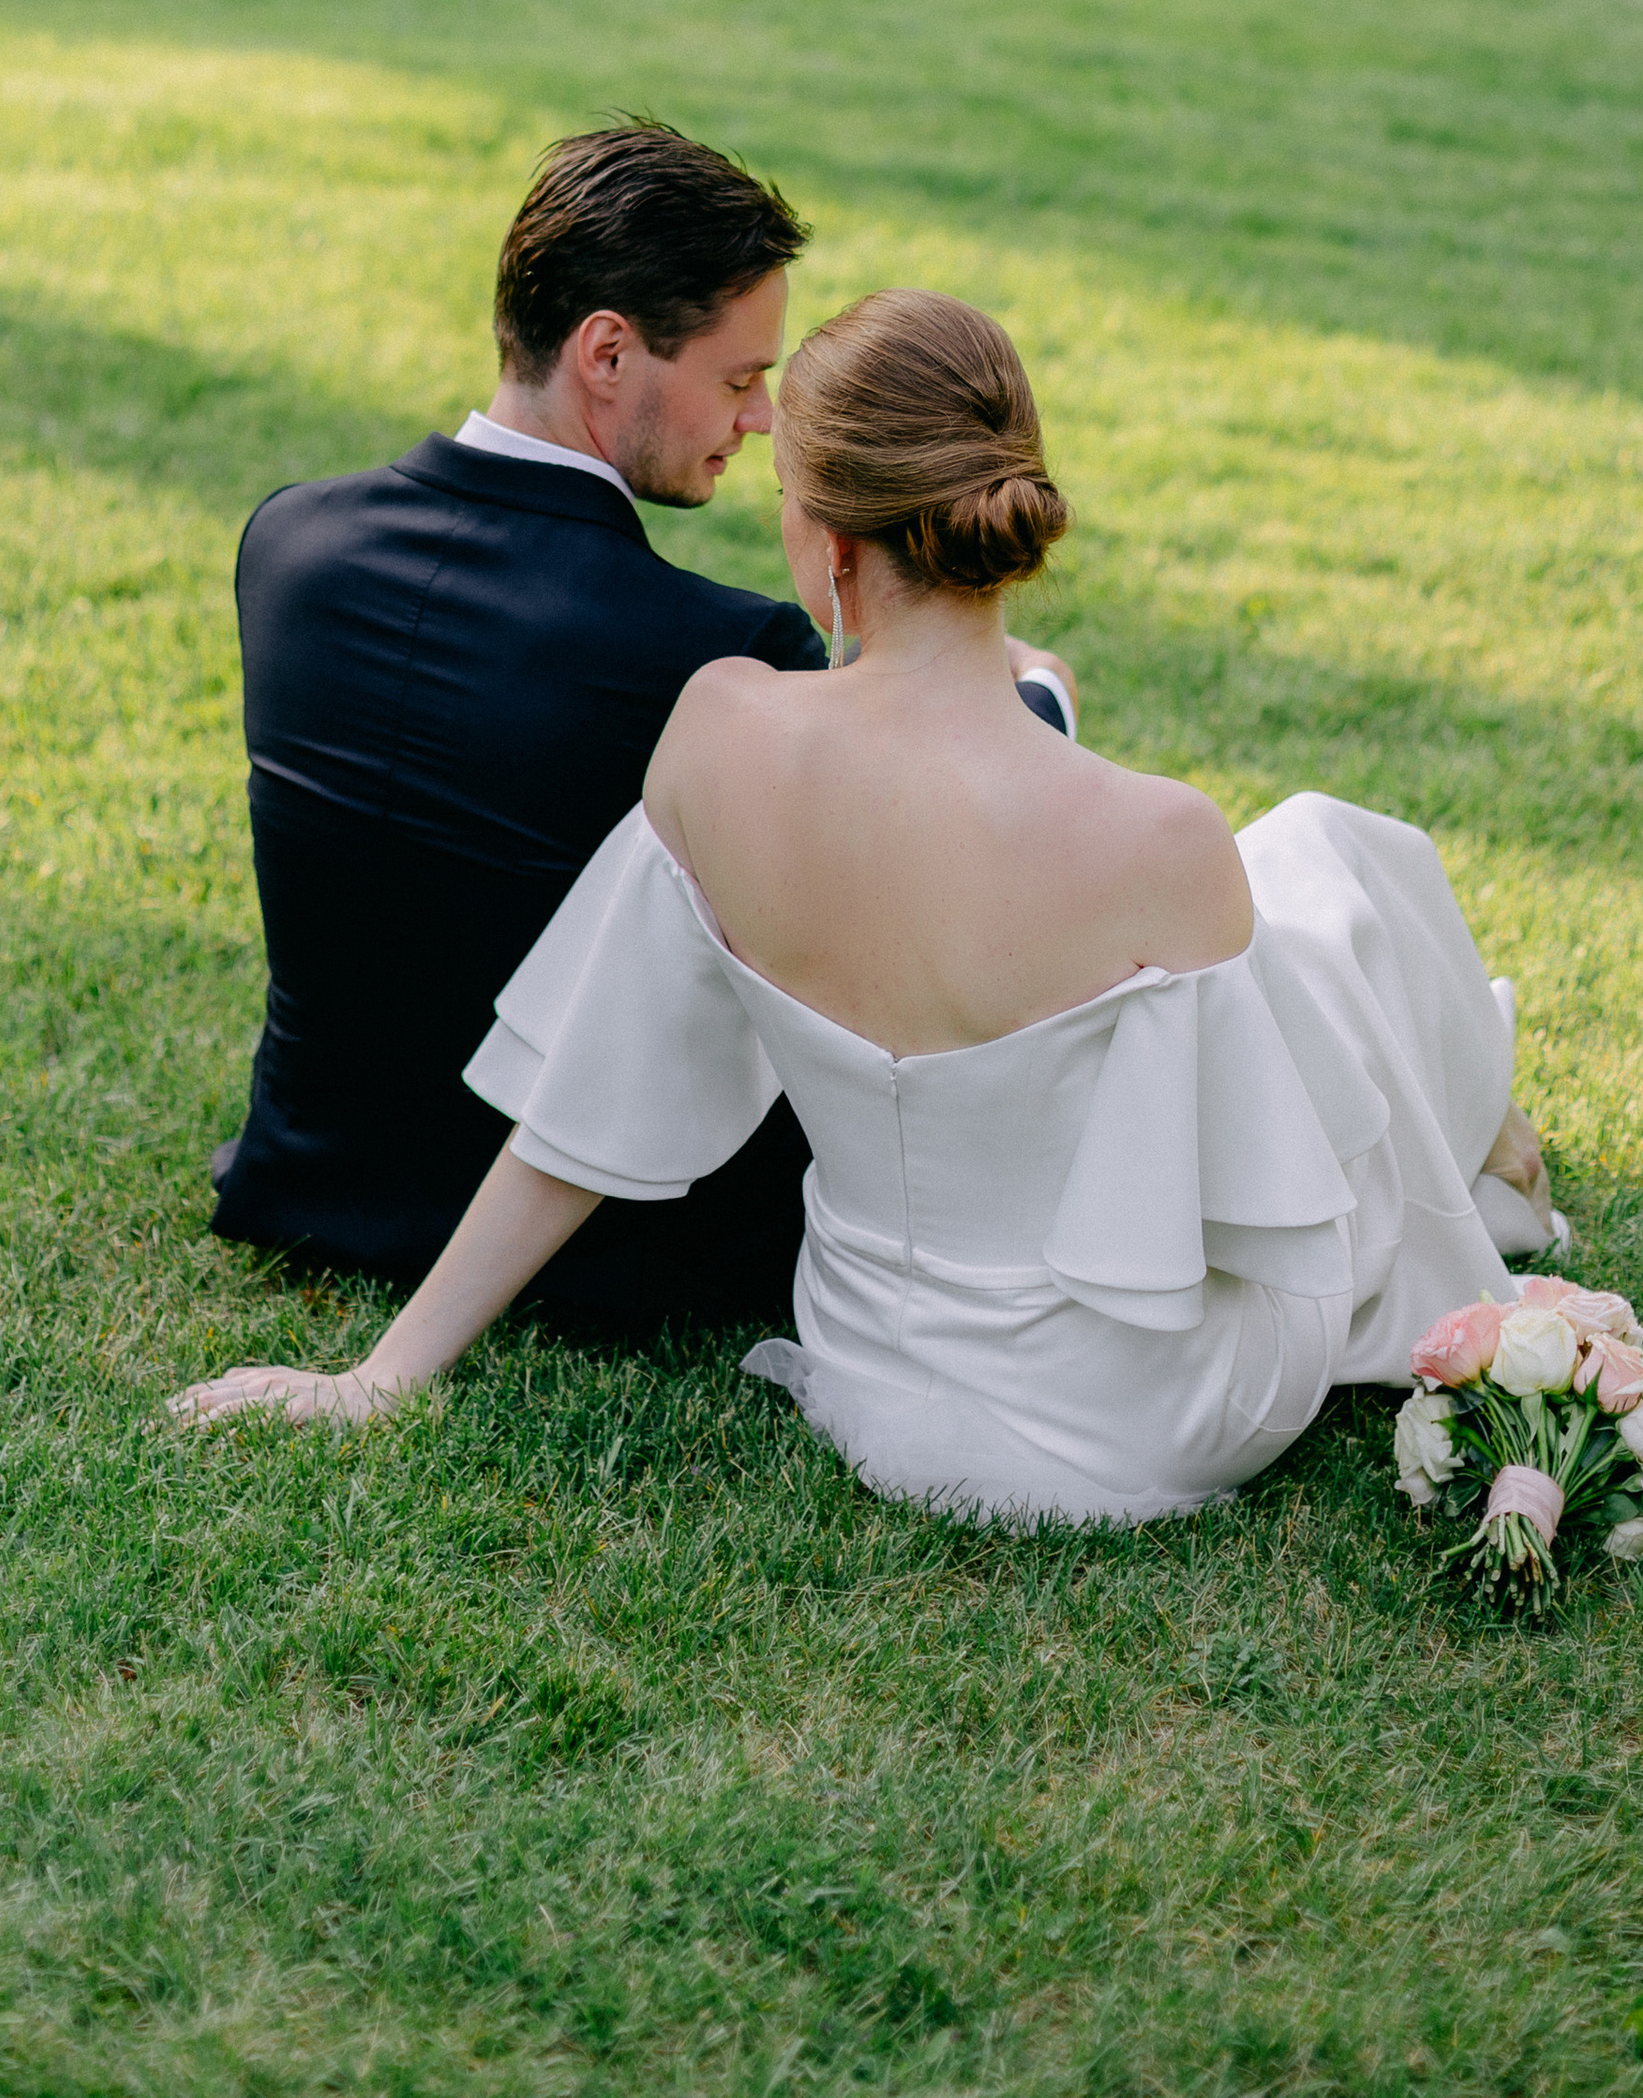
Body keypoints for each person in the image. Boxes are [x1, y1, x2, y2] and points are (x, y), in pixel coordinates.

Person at [176, 289, 1554, 1520]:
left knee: (1314, 888)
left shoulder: (717, 736)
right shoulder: (1159, 835)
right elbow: (1259, 1189)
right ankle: (1484, 1134)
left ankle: (1479, 1128)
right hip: (1156, 1420)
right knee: (1331, 863)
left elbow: (589, 1103)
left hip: (875, 1369)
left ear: (830, 544)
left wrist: (381, 1373)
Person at [207, 136, 1077, 1337]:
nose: (762, 419)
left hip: (304, 1185)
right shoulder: (719, 654)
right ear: (607, 352)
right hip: (616, 1257)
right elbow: (954, 827)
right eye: (738, 378)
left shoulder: (287, 546)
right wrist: (1038, 696)